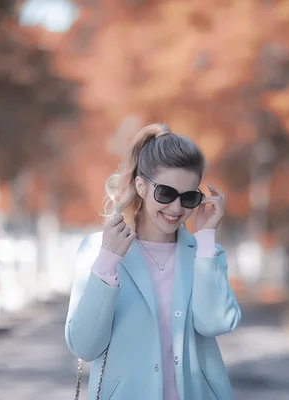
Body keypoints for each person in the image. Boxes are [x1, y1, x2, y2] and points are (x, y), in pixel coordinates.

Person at [65, 123, 241, 400]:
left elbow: (215, 323)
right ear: (141, 186)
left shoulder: (203, 252)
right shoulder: (98, 249)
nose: (176, 208)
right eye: (166, 194)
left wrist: (206, 237)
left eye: (189, 198)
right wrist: (108, 261)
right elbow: (84, 347)